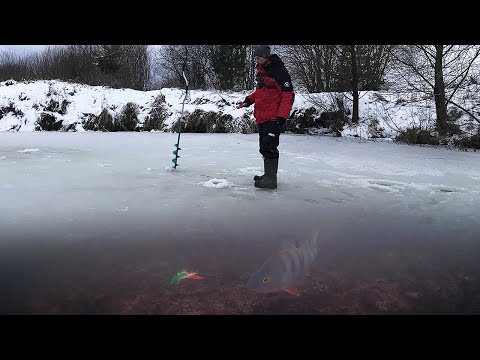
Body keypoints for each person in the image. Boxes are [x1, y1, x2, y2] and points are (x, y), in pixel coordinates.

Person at [237, 45, 295, 189]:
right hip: (262, 116)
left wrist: (282, 117)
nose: (256, 60)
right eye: (255, 58)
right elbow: (261, 93)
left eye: (258, 57)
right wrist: (249, 100)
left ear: (266, 57)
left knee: (269, 146)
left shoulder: (279, 72)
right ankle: (268, 175)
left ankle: (271, 179)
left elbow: (288, 96)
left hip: (273, 118)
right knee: (264, 147)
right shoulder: (263, 72)